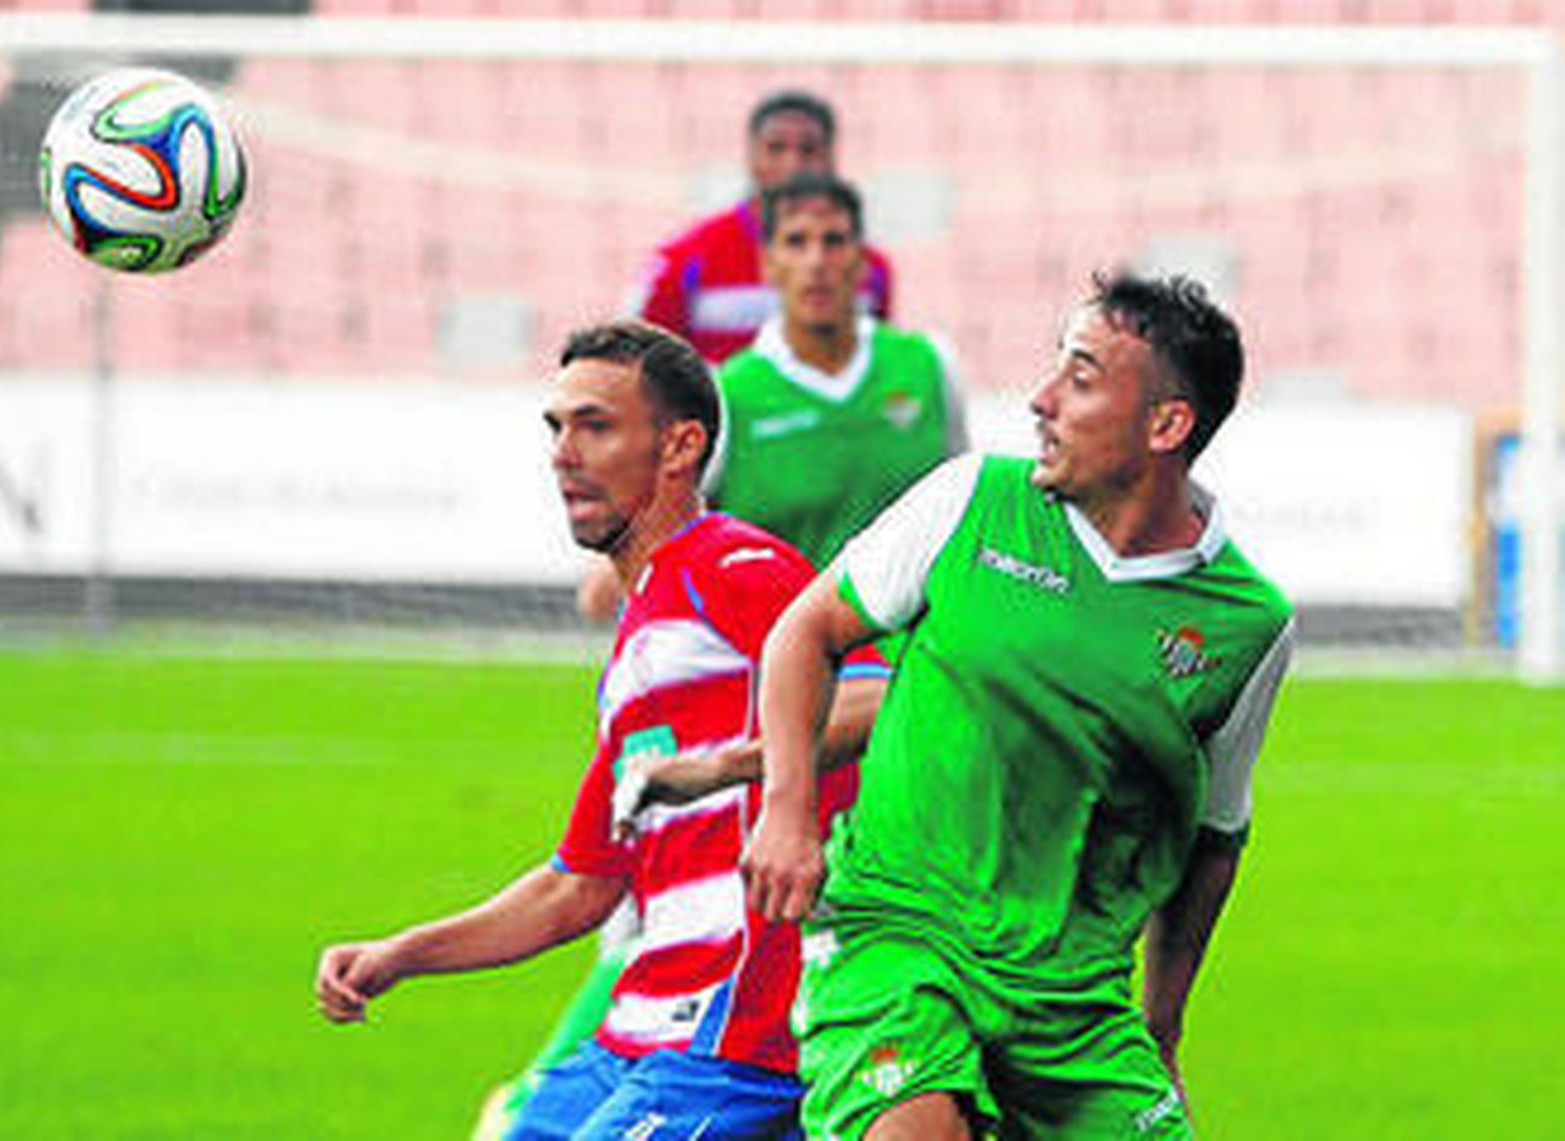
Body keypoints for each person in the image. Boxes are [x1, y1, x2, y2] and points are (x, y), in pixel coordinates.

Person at [743, 272, 1295, 1139]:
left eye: (1079, 378)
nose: (1041, 400)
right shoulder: (973, 500)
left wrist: (1164, 1026)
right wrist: (786, 810)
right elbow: (803, 633)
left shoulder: (1246, 624)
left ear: (1165, 425)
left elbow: (1215, 836)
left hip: (1072, 997)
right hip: (898, 933)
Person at [317, 320, 886, 1139]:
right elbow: (577, 883)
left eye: (596, 426)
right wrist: (400, 954)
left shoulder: (732, 566)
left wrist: (731, 766)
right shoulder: (637, 646)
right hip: (632, 1034)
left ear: (681, 445)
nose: (563, 452)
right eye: (557, 427)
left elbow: (878, 694)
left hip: (736, 1036)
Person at [708, 171, 965, 571]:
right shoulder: (726, 396)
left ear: (863, 261)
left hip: (911, 633)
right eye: (796, 242)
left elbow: (961, 508)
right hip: (775, 632)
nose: (817, 261)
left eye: (834, 241)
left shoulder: (929, 365)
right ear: (768, 265)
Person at [628, 88, 894, 365]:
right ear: (751, 155)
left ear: (831, 156)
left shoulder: (870, 267)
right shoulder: (684, 258)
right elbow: (641, 363)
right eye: (776, 148)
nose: (792, 163)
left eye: (809, 150)